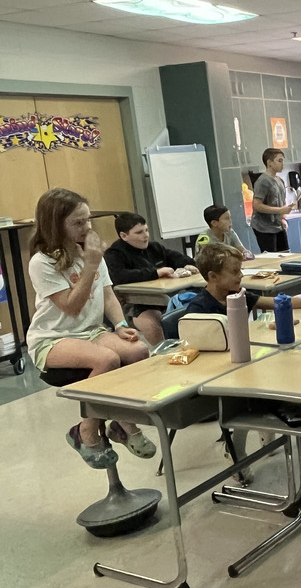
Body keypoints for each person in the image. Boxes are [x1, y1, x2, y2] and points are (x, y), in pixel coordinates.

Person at [26, 188, 154, 469]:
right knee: (106, 360)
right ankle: (85, 431)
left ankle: (120, 423)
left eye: (88, 221)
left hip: (91, 331)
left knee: (138, 351)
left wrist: (120, 325)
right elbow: (71, 306)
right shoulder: (42, 262)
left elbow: (108, 295)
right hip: (53, 339)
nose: (87, 228)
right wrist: (91, 263)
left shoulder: (90, 252)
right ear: (55, 225)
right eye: (78, 223)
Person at [104, 212, 199, 345]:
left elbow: (175, 257)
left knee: (192, 310)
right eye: (139, 232)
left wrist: (187, 264)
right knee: (153, 324)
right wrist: (156, 273)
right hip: (134, 303)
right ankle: (162, 355)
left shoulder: (154, 247)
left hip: (163, 298)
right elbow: (120, 276)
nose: (146, 235)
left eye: (147, 230)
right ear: (123, 236)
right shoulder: (114, 254)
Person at [186, 242, 301, 315]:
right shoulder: (198, 309)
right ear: (213, 276)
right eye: (234, 271)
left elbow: (278, 302)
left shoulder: (237, 296)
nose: (241, 275)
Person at [251, 147, 293, 253]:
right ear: (269, 163)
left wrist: (283, 218)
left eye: (282, 161)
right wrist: (279, 211)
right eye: (279, 161)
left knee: (285, 254)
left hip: (278, 225)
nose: (282, 164)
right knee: (271, 257)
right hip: (264, 227)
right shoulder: (263, 182)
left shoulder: (280, 181)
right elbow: (257, 205)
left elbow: (282, 202)